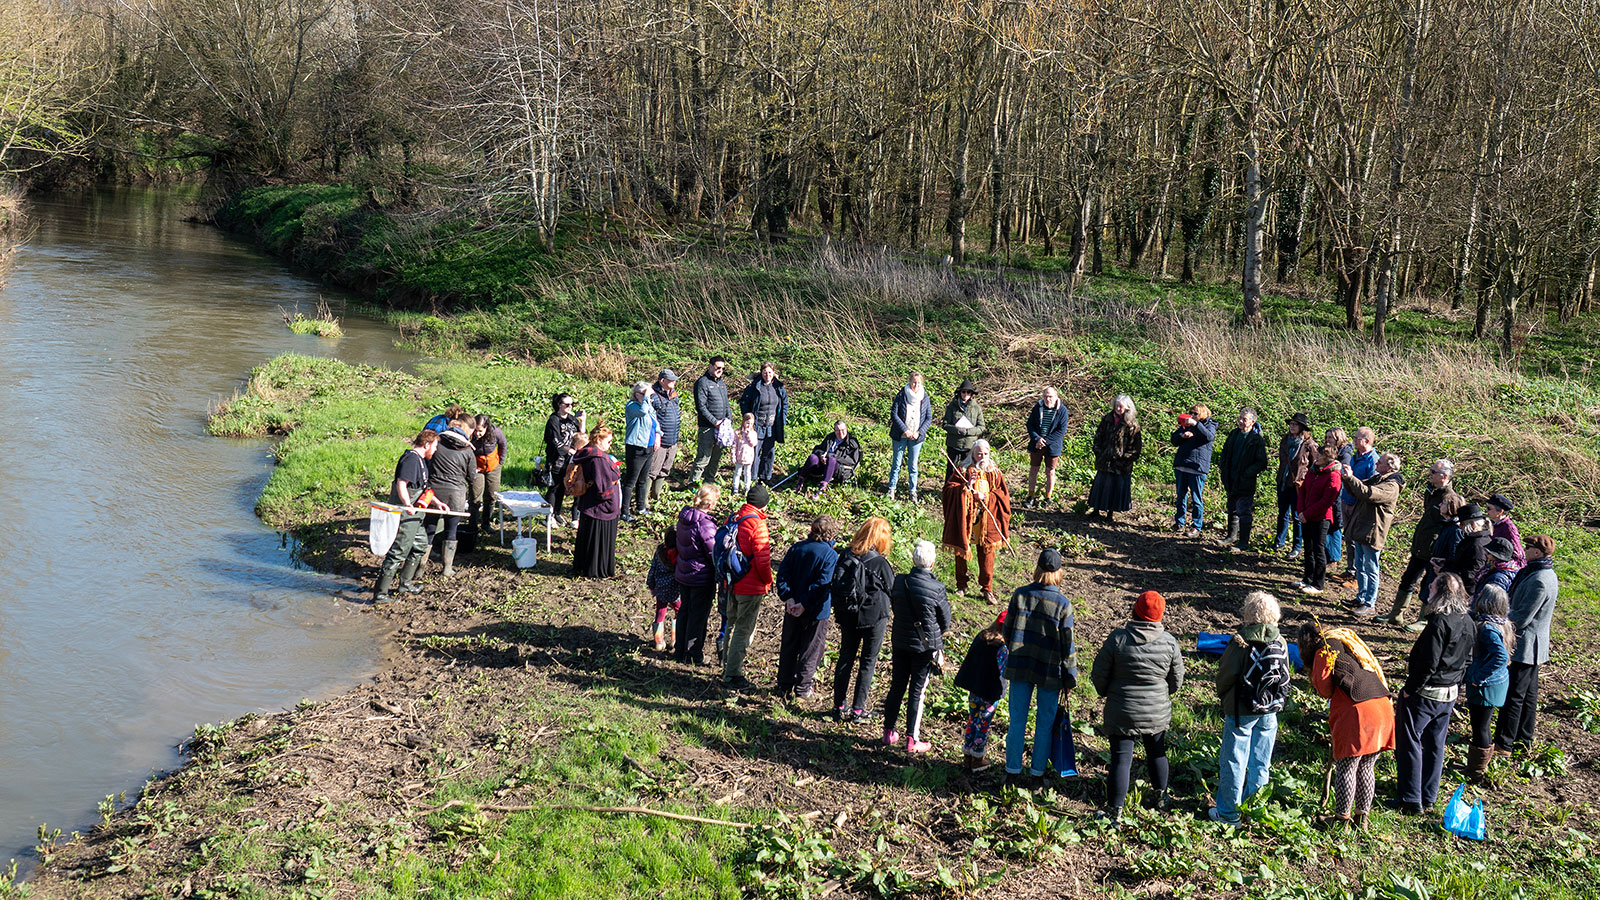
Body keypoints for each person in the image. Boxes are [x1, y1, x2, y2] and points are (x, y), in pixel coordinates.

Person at [1091, 591, 1184, 822]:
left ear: (1135, 610)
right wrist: (1162, 695)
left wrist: (1106, 693)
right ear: (1160, 615)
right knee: (1157, 753)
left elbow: (1099, 674)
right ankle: (1161, 797)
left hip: (1122, 710)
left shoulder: (1118, 639)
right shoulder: (1169, 642)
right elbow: (1177, 680)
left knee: (1121, 759)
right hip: (1156, 712)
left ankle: (1115, 810)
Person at [1390, 572, 1472, 815]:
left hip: (1426, 693)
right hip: (1450, 693)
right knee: (1436, 745)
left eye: (1432, 588)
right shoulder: (1467, 621)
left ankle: (1410, 799)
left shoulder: (1439, 623)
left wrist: (1410, 690)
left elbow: (1427, 663)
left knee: (1410, 742)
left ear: (1440, 593)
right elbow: (1468, 659)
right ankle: (1428, 797)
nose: (1428, 592)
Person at [1300, 622, 1395, 830]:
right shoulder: (1348, 642)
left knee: (1346, 767)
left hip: (1358, 712)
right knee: (1367, 766)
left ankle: (1341, 821)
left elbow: (1324, 688)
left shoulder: (1324, 649)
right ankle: (1362, 820)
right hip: (1383, 706)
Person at [1209, 592, 1291, 826]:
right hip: (1269, 708)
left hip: (1241, 709)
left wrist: (1224, 697)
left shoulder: (1241, 641)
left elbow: (1225, 675)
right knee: (1260, 761)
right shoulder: (1281, 641)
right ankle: (1255, 809)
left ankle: (1228, 813)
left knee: (1234, 761)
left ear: (1248, 613)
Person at [1001, 549, 1078, 783]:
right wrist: (1071, 675)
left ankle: (1012, 771)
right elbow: (1068, 645)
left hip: (1020, 666)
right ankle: (1037, 774)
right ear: (1059, 572)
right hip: (1050, 671)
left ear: (1037, 569)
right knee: (1044, 722)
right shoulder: (1063, 605)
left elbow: (1007, 630)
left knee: (1017, 720)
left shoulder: (1020, 595)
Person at [883, 541, 953, 753]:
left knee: (897, 685)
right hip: (924, 646)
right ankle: (912, 739)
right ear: (931, 562)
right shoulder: (937, 588)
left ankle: (888, 732)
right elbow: (946, 621)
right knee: (917, 691)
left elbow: (895, 605)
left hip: (900, 640)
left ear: (913, 559)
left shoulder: (900, 581)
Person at [1496, 533, 1559, 753]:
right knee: (1529, 696)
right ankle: (1524, 739)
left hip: (1525, 647)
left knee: (1514, 695)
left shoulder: (1540, 580)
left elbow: (1522, 617)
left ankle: (1504, 743)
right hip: (1534, 647)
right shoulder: (1542, 574)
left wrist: (1500, 624)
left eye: (1528, 547)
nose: (1524, 550)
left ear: (1537, 553)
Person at [1381, 459, 1459, 626]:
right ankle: (1396, 614)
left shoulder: (1449, 498)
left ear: (1444, 476)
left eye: (1433, 472)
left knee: (1428, 584)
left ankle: (1423, 620)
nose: (1429, 474)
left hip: (1434, 549)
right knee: (1407, 578)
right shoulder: (1431, 491)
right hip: (1421, 545)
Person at [831, 517, 895, 722]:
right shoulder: (880, 562)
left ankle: (839, 706)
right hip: (874, 617)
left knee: (845, 657)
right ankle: (858, 710)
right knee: (868, 661)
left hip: (848, 614)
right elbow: (892, 589)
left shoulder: (846, 555)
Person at [371, 429, 446, 603]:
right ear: (426, 445)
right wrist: (407, 505)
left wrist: (436, 502)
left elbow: (423, 489)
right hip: (405, 516)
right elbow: (402, 484)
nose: (435, 451)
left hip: (416, 516)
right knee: (398, 552)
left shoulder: (421, 461)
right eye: (434, 447)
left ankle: (405, 583)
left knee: (420, 545)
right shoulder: (411, 460)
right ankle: (380, 594)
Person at [775, 516, 841, 701]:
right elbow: (822, 584)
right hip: (816, 610)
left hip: (792, 607)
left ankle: (784, 684)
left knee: (789, 644)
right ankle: (803, 688)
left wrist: (789, 598)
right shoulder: (830, 555)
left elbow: (783, 574)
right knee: (811, 648)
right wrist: (803, 603)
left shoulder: (797, 548)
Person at [941, 439, 1012, 604]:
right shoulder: (962, 470)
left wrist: (986, 497)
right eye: (979, 453)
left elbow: (1003, 496)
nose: (982, 456)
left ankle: (987, 588)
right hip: (966, 519)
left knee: (987, 553)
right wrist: (967, 487)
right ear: (972, 453)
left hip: (986, 521)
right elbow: (949, 490)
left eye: (985, 453)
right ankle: (961, 585)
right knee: (961, 550)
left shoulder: (994, 472)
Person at [722, 483, 774, 690]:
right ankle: (733, 675)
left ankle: (726, 666)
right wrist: (768, 581)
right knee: (743, 631)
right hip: (750, 587)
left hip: (731, 581)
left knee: (731, 626)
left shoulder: (734, 517)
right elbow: (762, 561)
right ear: (763, 505)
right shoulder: (758, 525)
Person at [1339, 451, 1403, 616]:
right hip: (1363, 529)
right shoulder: (1378, 479)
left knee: (1371, 568)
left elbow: (1369, 494)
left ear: (1389, 466)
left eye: (1379, 462)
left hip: (1374, 532)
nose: (1376, 465)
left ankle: (1370, 603)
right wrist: (1347, 478)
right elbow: (1358, 489)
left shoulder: (1391, 485)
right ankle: (1361, 597)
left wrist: (1351, 478)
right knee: (1360, 566)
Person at [1464, 584, 1512, 785]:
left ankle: (1476, 772)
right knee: (1482, 726)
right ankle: (1477, 767)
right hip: (1496, 684)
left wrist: (1478, 677)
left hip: (1486, 687)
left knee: (1481, 727)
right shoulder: (1501, 623)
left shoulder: (1487, 628)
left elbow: (1500, 656)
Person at [954, 609, 1009, 772]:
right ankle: (977, 758)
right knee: (983, 723)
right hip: (990, 693)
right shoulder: (1002, 647)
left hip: (975, 688)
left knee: (973, 719)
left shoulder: (981, 636)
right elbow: (1005, 670)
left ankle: (967, 754)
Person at [673, 484, 721, 665]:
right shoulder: (705, 525)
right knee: (698, 616)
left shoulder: (685, 518)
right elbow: (713, 554)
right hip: (701, 577)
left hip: (684, 573)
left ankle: (679, 650)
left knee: (684, 611)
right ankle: (693, 654)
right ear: (709, 504)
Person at [428, 419, 478, 578]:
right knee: (451, 531)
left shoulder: (437, 443)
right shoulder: (468, 450)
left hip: (433, 493)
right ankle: (447, 568)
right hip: (456, 494)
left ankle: (420, 566)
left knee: (429, 529)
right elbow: (472, 477)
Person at [571, 425, 622, 578]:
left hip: (589, 502)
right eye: (609, 441)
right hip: (600, 506)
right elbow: (602, 486)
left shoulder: (588, 452)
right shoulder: (598, 459)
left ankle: (584, 566)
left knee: (588, 537)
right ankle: (596, 569)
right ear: (598, 440)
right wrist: (609, 500)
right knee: (599, 539)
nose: (610, 444)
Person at [1215, 409, 1269, 552]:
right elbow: (1225, 453)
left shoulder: (1257, 440)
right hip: (1231, 478)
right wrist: (1224, 469)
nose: (1240, 421)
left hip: (1245, 481)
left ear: (1252, 422)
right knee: (1231, 508)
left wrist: (1247, 473)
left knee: (1244, 511)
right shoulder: (1234, 434)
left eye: (1244, 419)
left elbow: (1262, 462)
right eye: (1240, 418)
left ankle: (1243, 541)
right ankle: (1231, 537)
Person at [1295, 443, 1342, 596]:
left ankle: (1318, 583)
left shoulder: (1333, 476)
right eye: (1318, 454)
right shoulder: (1313, 470)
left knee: (1318, 549)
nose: (1317, 457)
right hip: (1306, 515)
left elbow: (1326, 501)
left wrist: (1307, 514)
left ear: (1328, 458)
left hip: (1321, 518)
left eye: (1321, 455)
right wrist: (1301, 511)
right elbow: (1302, 490)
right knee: (1308, 548)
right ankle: (1307, 578)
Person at [1088, 395, 1142, 523]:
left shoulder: (1132, 425)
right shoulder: (1107, 419)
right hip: (1104, 460)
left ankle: (1110, 514)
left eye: (1120, 406)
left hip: (1121, 464)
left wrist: (1124, 459)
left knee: (1114, 488)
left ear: (1127, 408)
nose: (1117, 408)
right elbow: (1098, 437)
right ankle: (1096, 510)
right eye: (1116, 405)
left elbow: (1135, 447)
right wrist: (1099, 452)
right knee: (1100, 485)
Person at [1171, 403, 1216, 536]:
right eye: (1191, 412)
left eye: (1195, 413)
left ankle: (1196, 526)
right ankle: (1179, 522)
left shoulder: (1209, 425)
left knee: (1196, 499)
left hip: (1197, 467)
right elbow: (1173, 440)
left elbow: (1208, 437)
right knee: (1180, 497)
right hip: (1182, 465)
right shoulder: (1186, 424)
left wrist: (1196, 425)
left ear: (1203, 414)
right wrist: (1182, 436)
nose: (1192, 415)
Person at [739, 361, 788, 484]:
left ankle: (766, 477)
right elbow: (744, 403)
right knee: (755, 453)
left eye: (770, 372)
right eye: (765, 372)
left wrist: (783, 417)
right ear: (761, 373)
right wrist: (748, 420)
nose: (767, 375)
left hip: (772, 425)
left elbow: (785, 403)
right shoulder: (754, 387)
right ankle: (753, 477)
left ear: (774, 373)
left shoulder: (778, 387)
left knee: (769, 452)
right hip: (757, 425)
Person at [887, 372, 933, 501]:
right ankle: (891, 489)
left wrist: (919, 432)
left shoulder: (925, 397)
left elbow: (928, 417)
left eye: (918, 383)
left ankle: (913, 491)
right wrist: (905, 430)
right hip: (901, 435)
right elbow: (894, 414)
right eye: (913, 382)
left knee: (913, 465)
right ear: (909, 382)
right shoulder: (901, 395)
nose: (915, 385)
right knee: (896, 463)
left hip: (916, 437)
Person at [1274, 413, 1313, 558]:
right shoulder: (1285, 440)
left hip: (1298, 484)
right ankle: (1279, 541)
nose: (1291, 427)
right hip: (1284, 481)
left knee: (1297, 516)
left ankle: (1297, 546)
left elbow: (1314, 466)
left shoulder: (1309, 445)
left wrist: (1305, 480)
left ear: (1301, 427)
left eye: (1295, 424)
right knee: (1282, 513)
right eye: (1290, 424)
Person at [1338, 427, 1377, 572]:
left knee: (1356, 540)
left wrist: (1351, 477)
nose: (1353, 441)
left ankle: (1356, 572)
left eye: (1357, 438)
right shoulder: (1355, 456)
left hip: (1358, 504)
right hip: (1346, 500)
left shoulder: (1372, 460)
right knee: (1348, 536)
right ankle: (1350, 569)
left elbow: (1371, 485)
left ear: (1366, 441)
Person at [544, 394, 586, 526]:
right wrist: (571, 450)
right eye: (567, 404)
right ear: (559, 405)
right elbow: (555, 441)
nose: (570, 407)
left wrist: (582, 421)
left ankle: (556, 513)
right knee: (554, 487)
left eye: (572, 404)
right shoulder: (553, 420)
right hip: (556, 459)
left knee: (563, 486)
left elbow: (581, 436)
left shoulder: (572, 419)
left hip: (569, 461)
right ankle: (548, 516)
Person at [1025, 387, 1070, 509]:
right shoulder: (1037, 407)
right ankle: (1031, 496)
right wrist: (1037, 439)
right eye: (1045, 396)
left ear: (1056, 396)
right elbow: (1030, 425)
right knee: (1033, 470)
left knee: (1050, 472)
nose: (1047, 399)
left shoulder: (1062, 410)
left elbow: (1061, 431)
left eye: (1050, 396)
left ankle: (1048, 497)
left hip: (1052, 445)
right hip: (1036, 443)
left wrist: (1045, 441)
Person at [622, 381, 660, 521]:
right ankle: (624, 511)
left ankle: (640, 507)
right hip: (636, 446)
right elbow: (642, 412)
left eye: (647, 393)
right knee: (631, 480)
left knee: (643, 480)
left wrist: (658, 435)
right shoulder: (632, 406)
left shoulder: (648, 405)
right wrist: (646, 397)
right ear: (637, 394)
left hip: (649, 447)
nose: (647, 396)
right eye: (643, 393)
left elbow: (655, 422)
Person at [690, 357, 732, 483]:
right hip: (707, 427)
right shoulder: (702, 383)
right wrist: (715, 422)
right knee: (704, 457)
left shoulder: (722, 384)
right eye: (718, 367)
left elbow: (726, 404)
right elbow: (701, 407)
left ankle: (709, 482)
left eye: (722, 368)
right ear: (710, 366)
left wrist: (728, 420)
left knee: (715, 458)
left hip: (722, 428)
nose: (720, 370)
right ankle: (693, 483)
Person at [647, 370, 682, 505]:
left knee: (665, 469)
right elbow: (651, 418)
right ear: (662, 381)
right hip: (659, 440)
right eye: (671, 379)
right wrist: (656, 436)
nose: (674, 382)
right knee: (653, 470)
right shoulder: (653, 396)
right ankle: (644, 502)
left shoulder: (674, 395)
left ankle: (656, 497)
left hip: (673, 439)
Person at [469, 414, 507, 534]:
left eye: (480, 431)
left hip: (493, 467)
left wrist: (500, 462)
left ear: (486, 428)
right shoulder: (469, 434)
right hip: (477, 468)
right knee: (475, 497)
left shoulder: (496, 432)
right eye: (475, 430)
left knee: (491, 496)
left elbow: (503, 444)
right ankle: (473, 525)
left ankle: (486, 523)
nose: (477, 434)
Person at [645, 525, 680, 652]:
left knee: (660, 612)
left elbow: (653, 569)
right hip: (676, 591)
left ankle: (659, 642)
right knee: (679, 612)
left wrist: (651, 584)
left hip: (660, 588)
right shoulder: (680, 554)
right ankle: (675, 640)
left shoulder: (659, 552)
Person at [800, 420, 861, 491]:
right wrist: (821, 455)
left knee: (831, 459)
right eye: (837, 431)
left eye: (842, 430)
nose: (840, 433)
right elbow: (817, 449)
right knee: (813, 457)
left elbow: (852, 460)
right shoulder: (830, 438)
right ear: (834, 431)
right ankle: (800, 482)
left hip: (840, 468)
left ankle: (822, 488)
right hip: (823, 465)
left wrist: (831, 457)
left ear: (846, 429)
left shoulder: (852, 442)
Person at [942, 379, 985, 470]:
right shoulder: (951, 406)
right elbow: (945, 424)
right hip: (953, 443)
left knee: (967, 470)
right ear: (959, 393)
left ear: (971, 394)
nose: (966, 394)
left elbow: (981, 427)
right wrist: (957, 430)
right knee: (951, 469)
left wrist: (968, 431)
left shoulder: (977, 408)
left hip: (969, 445)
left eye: (968, 392)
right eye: (963, 392)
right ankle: (949, 484)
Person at [1484, 493, 1526, 569]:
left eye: (1489, 508)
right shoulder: (1492, 524)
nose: (1486, 510)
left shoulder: (1509, 528)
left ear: (1500, 512)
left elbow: (1517, 554)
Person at [731, 413, 760, 495]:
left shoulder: (753, 433)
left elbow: (753, 443)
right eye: (747, 423)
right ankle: (735, 488)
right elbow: (734, 445)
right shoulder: (737, 432)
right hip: (739, 457)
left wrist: (748, 435)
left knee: (747, 473)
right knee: (737, 473)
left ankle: (747, 488)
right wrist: (733, 456)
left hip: (748, 457)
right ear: (743, 422)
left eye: (751, 424)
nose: (749, 425)